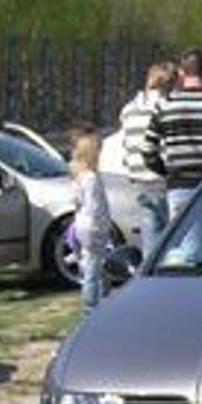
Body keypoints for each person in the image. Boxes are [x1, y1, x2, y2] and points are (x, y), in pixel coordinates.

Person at [142, 48, 202, 220]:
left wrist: (168, 172)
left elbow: (148, 150)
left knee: (183, 243)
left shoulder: (164, 106)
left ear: (181, 72)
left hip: (179, 186)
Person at [119, 61, 174, 257]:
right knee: (174, 238)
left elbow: (126, 145)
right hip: (162, 179)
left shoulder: (128, 110)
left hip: (139, 179)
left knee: (150, 238)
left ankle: (152, 280)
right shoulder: (165, 108)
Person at [69, 127, 112, 311]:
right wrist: (105, 226)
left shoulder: (78, 176)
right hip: (94, 226)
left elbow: (76, 201)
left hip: (82, 224)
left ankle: (100, 298)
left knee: (91, 264)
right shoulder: (92, 178)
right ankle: (91, 305)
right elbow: (95, 206)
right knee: (94, 267)